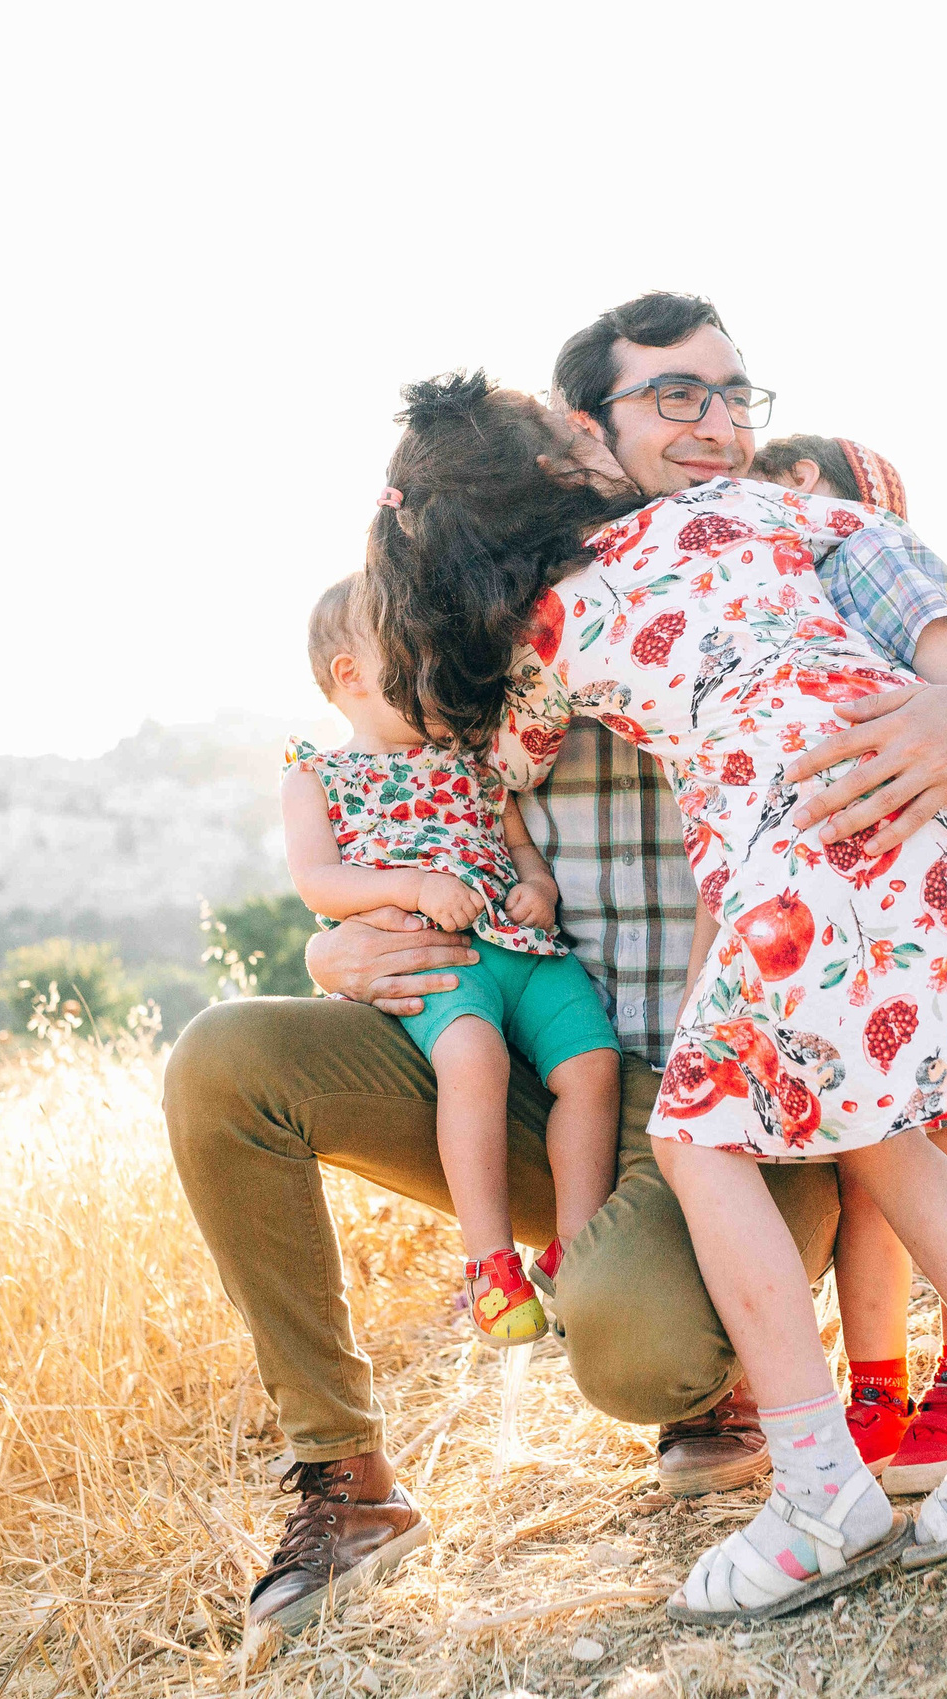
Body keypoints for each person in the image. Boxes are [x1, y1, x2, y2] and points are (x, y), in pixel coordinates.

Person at [165, 291, 947, 1636]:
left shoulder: (594, 605)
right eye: (676, 397)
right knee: (230, 1061)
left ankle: (818, 1447)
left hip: (768, 969)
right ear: (585, 441)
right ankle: (344, 1474)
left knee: (682, 1238)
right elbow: (401, 780)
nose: (715, 424)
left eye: (734, 396)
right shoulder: (713, 544)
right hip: (596, 1028)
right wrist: (340, 925)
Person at [367, 369, 947, 1621]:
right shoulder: (740, 513)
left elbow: (505, 755)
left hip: (815, 837)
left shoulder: (546, 629)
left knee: (693, 1137)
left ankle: (815, 1486)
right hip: (925, 784)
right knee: (875, 1133)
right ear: (570, 463)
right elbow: (882, 544)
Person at [744, 436, 947, 1491]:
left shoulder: (873, 558)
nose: (769, 499)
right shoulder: (766, 598)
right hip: (854, 923)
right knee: (870, 1160)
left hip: (945, 920)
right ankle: (876, 1387)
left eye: (793, 481)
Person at [282, 573, 622, 1345]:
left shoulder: (472, 757)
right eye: (422, 658)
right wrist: (416, 884)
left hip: (524, 946)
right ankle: (490, 1263)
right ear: (353, 675)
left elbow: (517, 843)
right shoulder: (317, 777)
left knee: (592, 1064)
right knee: (472, 1056)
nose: (444, 675)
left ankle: (573, 1248)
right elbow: (319, 880)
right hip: (435, 957)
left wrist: (535, 886)